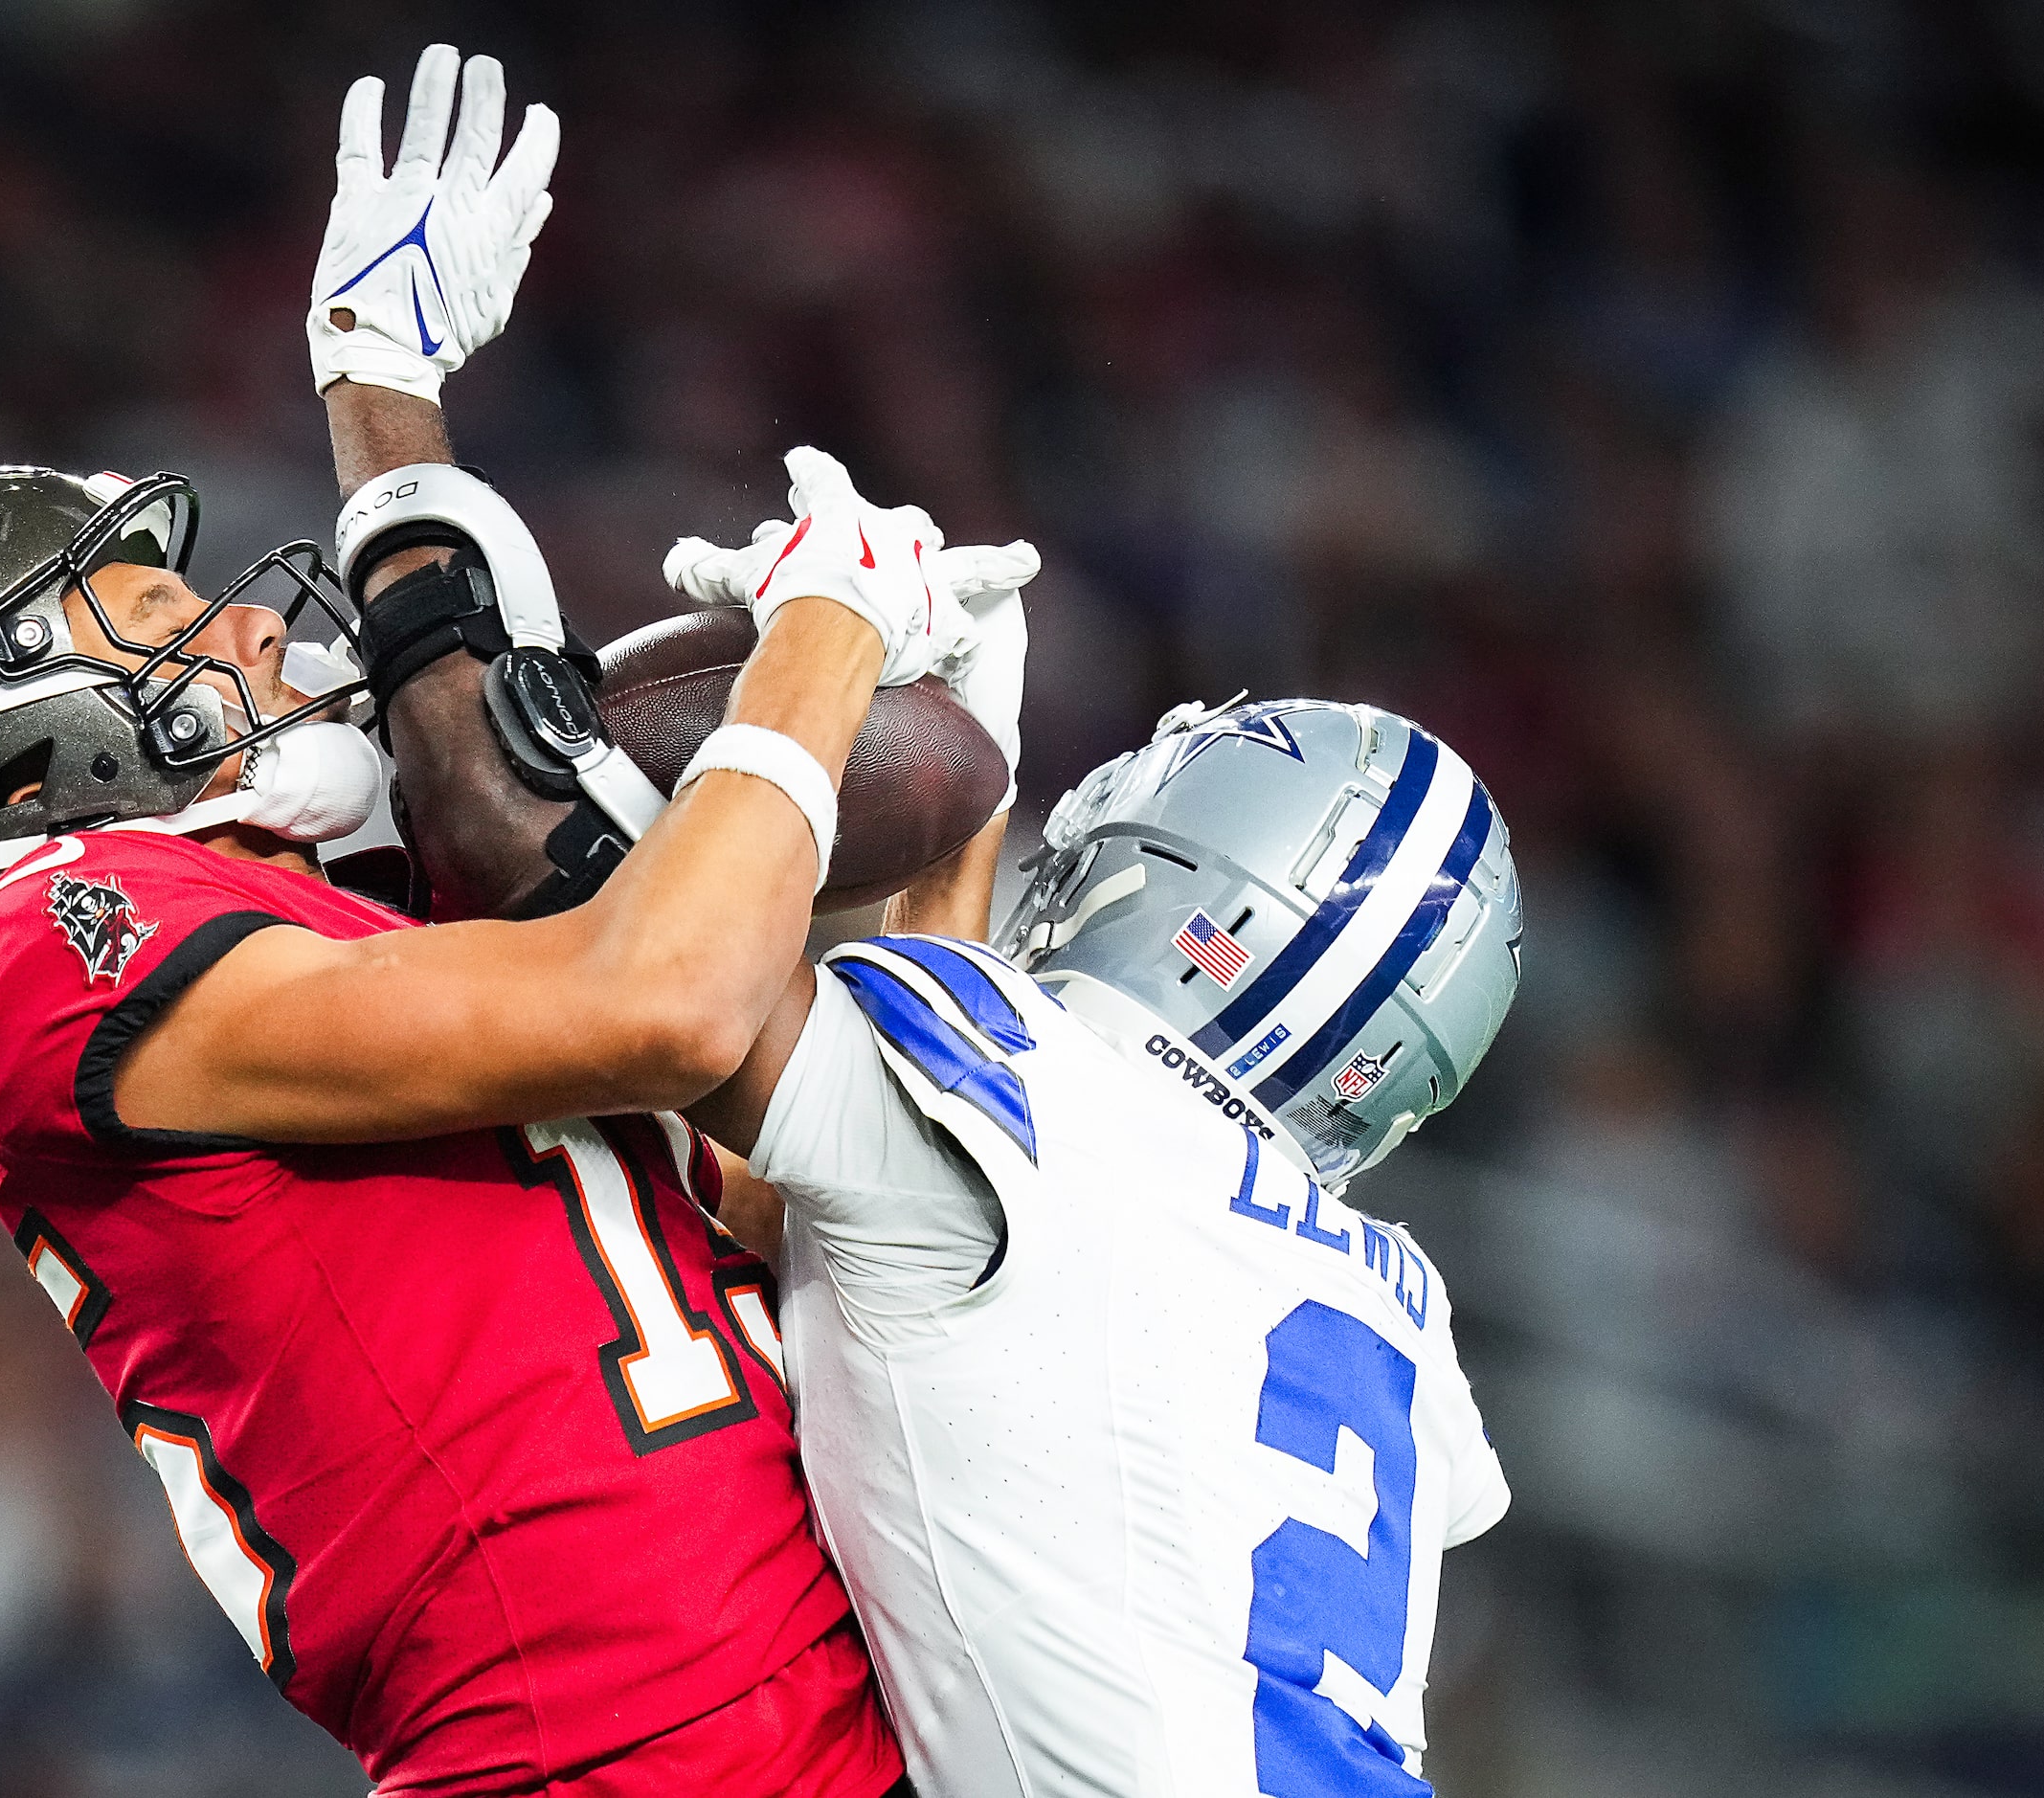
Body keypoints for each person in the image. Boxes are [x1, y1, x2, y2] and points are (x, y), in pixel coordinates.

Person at [0, 43, 1025, 1798]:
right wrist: (820, 638)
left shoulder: (342, 927)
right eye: (151, 604)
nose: (248, 627)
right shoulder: (51, 942)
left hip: (826, 1717)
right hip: (603, 1758)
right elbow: (667, 998)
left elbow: (824, 1182)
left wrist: (972, 790)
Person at [638, 538, 1523, 1793]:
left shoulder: (1024, 1104)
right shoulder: (1402, 1302)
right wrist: (968, 797)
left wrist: (819, 651)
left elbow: (674, 992)